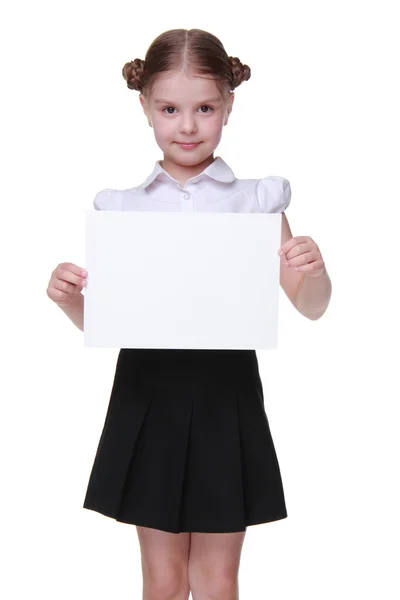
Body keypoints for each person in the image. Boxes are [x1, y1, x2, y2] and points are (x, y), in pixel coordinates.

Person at [47, 27, 332, 600]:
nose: (188, 125)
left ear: (229, 105)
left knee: (217, 577)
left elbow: (309, 306)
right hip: (148, 393)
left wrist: (313, 268)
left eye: (205, 108)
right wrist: (73, 300)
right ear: (145, 107)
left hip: (226, 393)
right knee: (163, 578)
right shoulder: (122, 207)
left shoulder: (255, 200)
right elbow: (110, 321)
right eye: (170, 108)